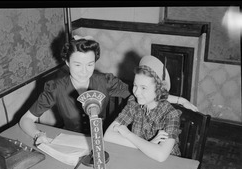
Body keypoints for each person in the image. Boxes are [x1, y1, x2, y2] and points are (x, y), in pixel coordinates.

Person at [19, 36, 196, 146]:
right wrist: (37, 134)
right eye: (77, 64)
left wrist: (180, 100)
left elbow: (143, 94)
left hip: (106, 141)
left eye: (90, 64)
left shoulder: (105, 81)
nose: (84, 71)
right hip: (70, 142)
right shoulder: (55, 87)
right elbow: (26, 119)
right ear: (66, 63)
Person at [103, 55, 182, 162]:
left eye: (143, 88)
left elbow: (161, 156)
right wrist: (149, 145)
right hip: (141, 158)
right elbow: (108, 136)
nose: (136, 92)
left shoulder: (170, 114)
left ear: (159, 89)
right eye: (135, 85)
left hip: (170, 164)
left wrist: (128, 135)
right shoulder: (133, 103)